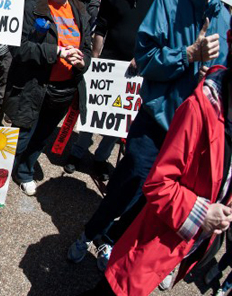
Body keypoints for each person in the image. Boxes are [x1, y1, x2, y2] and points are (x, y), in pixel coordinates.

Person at [68, 0, 229, 275]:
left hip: (192, 138)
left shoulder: (222, 16)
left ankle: (113, 241)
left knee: (152, 204)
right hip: (156, 125)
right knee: (127, 187)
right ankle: (88, 233)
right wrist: (187, 55)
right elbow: (144, 61)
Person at [90, 46, 232, 295]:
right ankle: (93, 236)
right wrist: (203, 213)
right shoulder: (199, 110)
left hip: (180, 243)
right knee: (116, 288)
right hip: (155, 239)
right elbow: (158, 184)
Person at [64, 0, 158, 181]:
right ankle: (77, 152)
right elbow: (103, 24)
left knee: (120, 118)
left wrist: (143, 55)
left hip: (136, 68)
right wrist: (96, 56)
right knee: (96, 111)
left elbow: (154, 31)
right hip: (110, 62)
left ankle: (100, 158)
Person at [3, 0, 92, 196]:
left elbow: (87, 49)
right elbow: (19, 48)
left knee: (42, 136)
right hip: (35, 86)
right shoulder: (33, 6)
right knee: (21, 135)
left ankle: (24, 172)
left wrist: (82, 60)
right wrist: (58, 53)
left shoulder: (80, 9)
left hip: (64, 89)